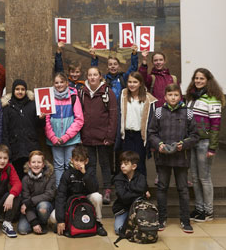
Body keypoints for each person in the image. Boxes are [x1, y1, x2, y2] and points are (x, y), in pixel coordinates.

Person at [148, 83, 199, 233]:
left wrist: (183, 144)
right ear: (165, 97)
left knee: (183, 189)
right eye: (170, 95)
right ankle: (162, 218)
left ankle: (185, 220)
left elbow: (195, 135)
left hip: (181, 157)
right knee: (162, 188)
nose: (173, 97)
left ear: (180, 96)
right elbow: (151, 133)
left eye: (176, 95)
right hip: (163, 157)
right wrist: (159, 145)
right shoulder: (158, 112)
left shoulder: (188, 113)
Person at [185, 68, 225, 222]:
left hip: (204, 143)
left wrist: (212, 147)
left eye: (201, 78)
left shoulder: (213, 98)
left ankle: (208, 211)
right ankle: (199, 208)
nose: (198, 81)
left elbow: (216, 125)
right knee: (195, 177)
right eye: (196, 78)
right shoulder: (191, 97)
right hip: (192, 141)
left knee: (205, 178)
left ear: (208, 80)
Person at [79, 67, 118, 204]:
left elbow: (113, 116)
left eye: (95, 74)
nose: (92, 77)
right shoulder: (82, 93)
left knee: (105, 164)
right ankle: (93, 191)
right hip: (87, 136)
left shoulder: (108, 92)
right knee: (91, 166)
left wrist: (110, 136)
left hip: (104, 137)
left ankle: (107, 190)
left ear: (100, 76)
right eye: (90, 75)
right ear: (87, 77)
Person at [49, 145, 107, 236]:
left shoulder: (90, 171)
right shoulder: (67, 174)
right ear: (71, 160)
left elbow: (94, 189)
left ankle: (98, 224)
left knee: (97, 196)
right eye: (76, 160)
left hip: (86, 200)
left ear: (86, 161)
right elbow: (61, 195)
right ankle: (67, 223)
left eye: (81, 161)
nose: (78, 163)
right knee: (53, 217)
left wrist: (85, 174)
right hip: (71, 202)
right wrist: (60, 220)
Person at [45, 72, 84, 186]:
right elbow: (46, 120)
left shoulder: (73, 97)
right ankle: (59, 190)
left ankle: (70, 189)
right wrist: (53, 137)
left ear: (67, 83)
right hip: (55, 139)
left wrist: (66, 136)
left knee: (70, 164)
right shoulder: (49, 97)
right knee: (58, 166)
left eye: (62, 82)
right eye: (56, 82)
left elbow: (79, 119)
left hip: (70, 139)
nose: (59, 84)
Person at [2, 79, 45, 177]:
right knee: (17, 174)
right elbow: (4, 129)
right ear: (13, 91)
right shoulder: (7, 107)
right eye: (17, 89)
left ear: (26, 91)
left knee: (33, 173)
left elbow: (39, 126)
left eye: (22, 89)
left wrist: (42, 119)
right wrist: (7, 147)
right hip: (15, 146)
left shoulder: (33, 105)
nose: (20, 91)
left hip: (31, 145)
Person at [119, 72, 157, 176]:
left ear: (140, 83)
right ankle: (127, 190)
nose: (132, 84)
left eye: (135, 82)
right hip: (126, 136)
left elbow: (151, 122)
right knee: (126, 164)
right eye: (130, 82)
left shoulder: (148, 99)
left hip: (140, 137)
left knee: (139, 164)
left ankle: (141, 190)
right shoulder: (123, 95)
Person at [18, 150, 56, 235]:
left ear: (43, 165)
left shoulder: (50, 175)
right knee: (22, 229)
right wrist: (34, 222)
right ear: (29, 164)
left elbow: (49, 194)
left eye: (39, 162)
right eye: (33, 162)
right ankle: (36, 222)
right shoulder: (25, 179)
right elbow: (25, 200)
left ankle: (43, 223)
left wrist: (30, 202)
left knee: (43, 207)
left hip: (45, 206)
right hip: (30, 209)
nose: (36, 165)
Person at [112, 151, 150, 234]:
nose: (122, 166)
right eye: (121, 163)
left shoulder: (141, 177)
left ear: (134, 166)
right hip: (123, 209)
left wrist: (129, 188)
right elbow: (123, 197)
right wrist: (141, 193)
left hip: (138, 208)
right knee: (118, 229)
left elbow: (142, 187)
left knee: (145, 226)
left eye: (125, 164)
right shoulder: (118, 178)